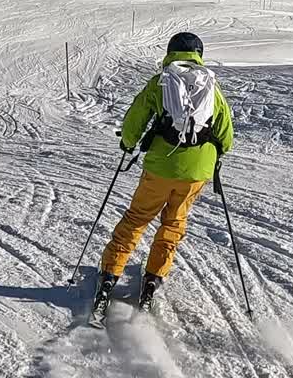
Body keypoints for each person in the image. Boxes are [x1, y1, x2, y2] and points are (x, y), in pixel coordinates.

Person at [92, 32, 234, 319]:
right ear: (199, 53)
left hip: (160, 167)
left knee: (137, 219)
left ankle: (109, 276)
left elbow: (136, 117)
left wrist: (128, 142)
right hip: (197, 171)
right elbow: (226, 134)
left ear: (171, 52)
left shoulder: (162, 81)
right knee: (174, 223)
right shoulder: (210, 85)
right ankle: (152, 281)